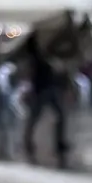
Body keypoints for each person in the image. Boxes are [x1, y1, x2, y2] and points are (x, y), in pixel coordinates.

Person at [23, 30, 70, 168]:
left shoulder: (44, 54)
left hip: (47, 87)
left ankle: (57, 142)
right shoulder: (37, 53)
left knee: (43, 116)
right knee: (37, 117)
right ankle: (30, 142)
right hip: (42, 88)